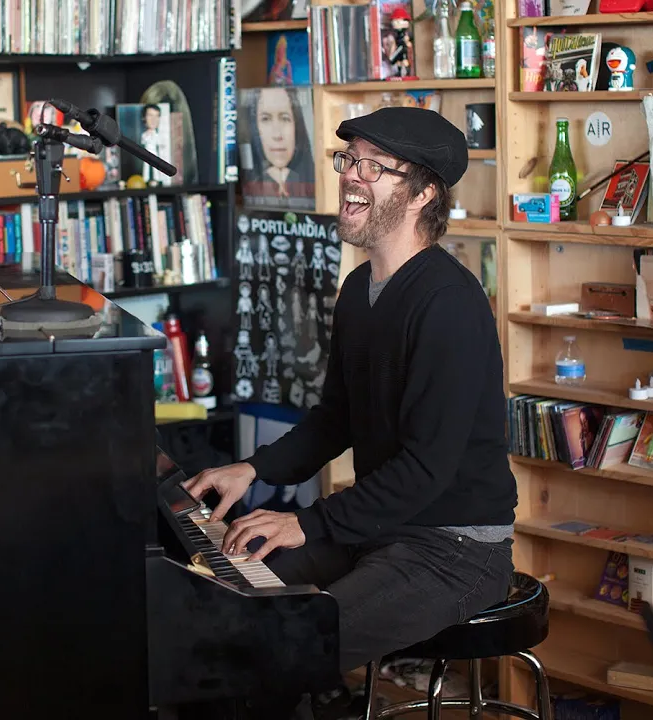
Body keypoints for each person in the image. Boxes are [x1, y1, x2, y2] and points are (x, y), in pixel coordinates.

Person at [184, 106, 518, 719]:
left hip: (456, 551)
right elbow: (336, 418)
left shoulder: (448, 303)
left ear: (421, 194)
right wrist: (252, 471)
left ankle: (314, 695)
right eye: (348, 161)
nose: (351, 176)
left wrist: (307, 523)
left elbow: (425, 469)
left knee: (279, 641)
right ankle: (321, 698)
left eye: (373, 167)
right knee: (227, 595)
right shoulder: (361, 290)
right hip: (381, 531)